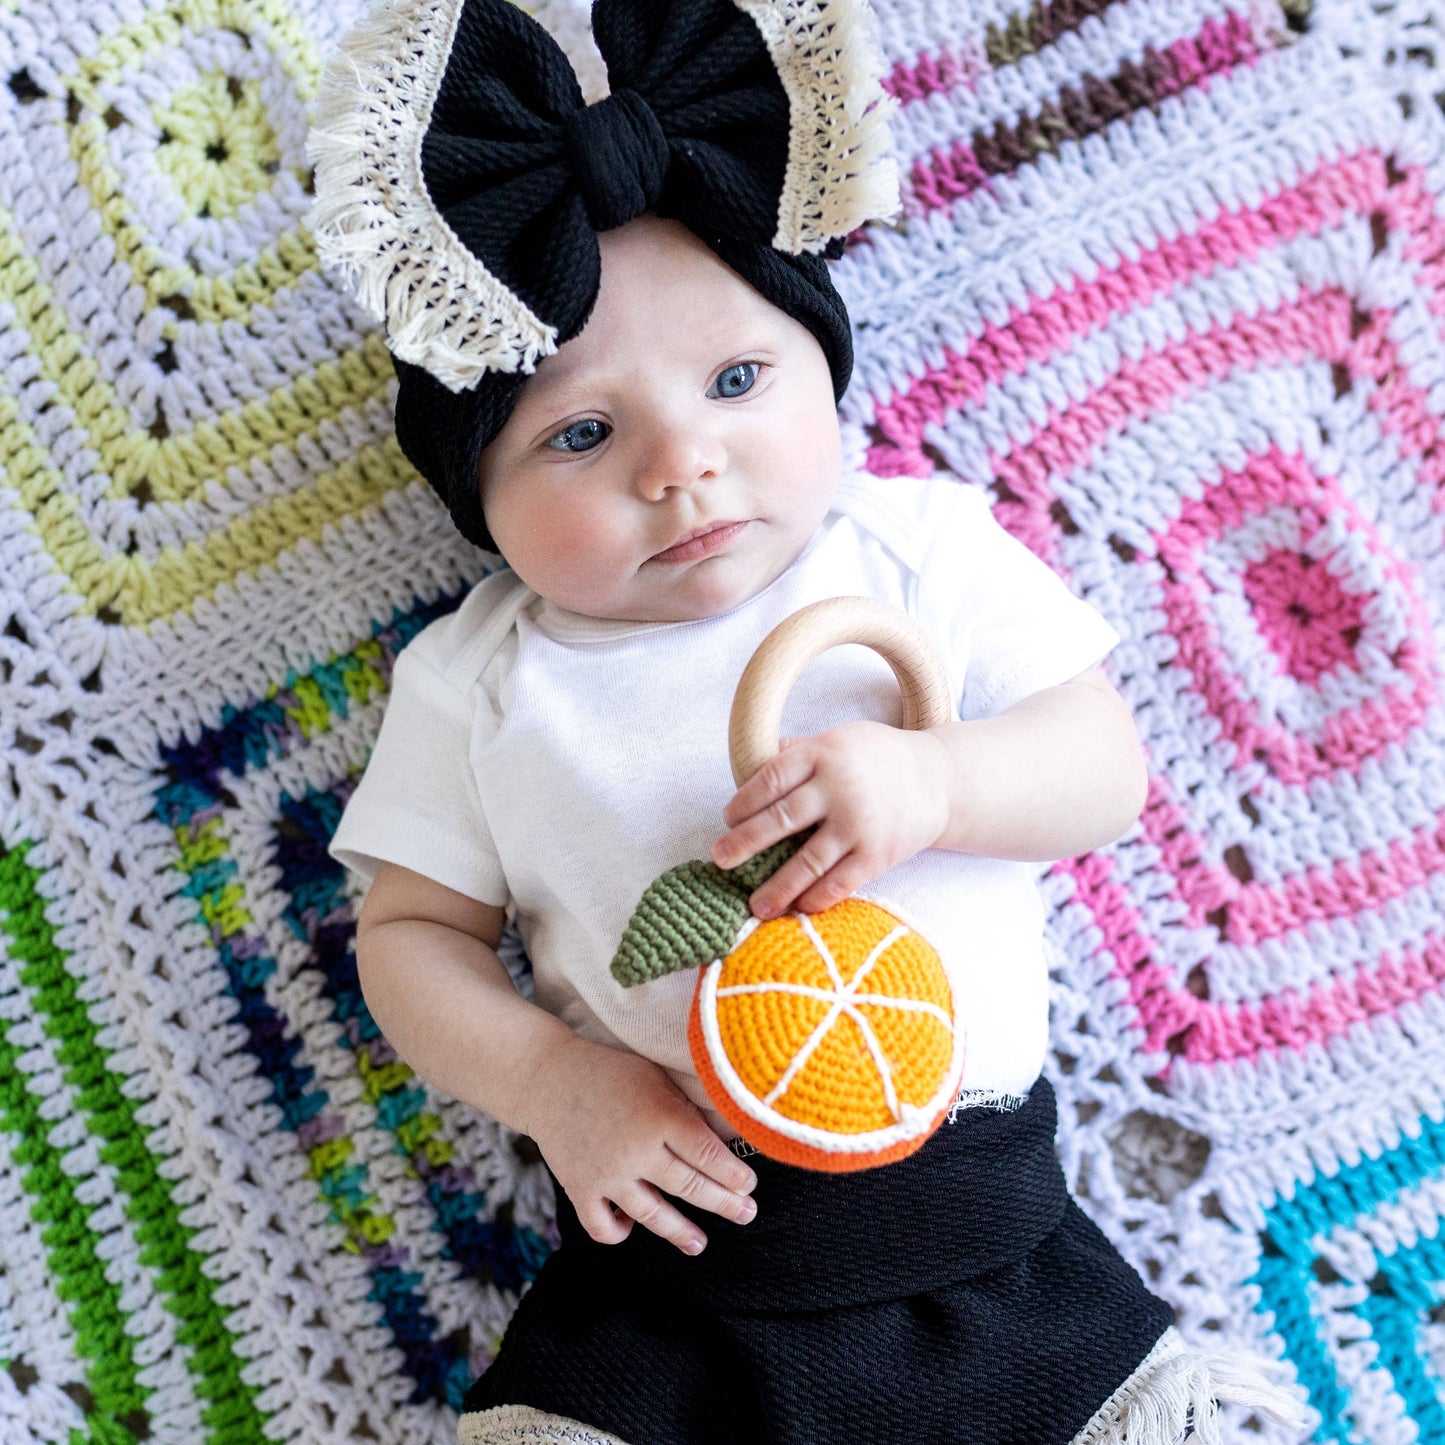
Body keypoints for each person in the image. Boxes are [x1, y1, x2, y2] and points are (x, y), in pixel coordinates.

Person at [311, 0, 1308, 1439]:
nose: (683, 466)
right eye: (583, 434)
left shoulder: (912, 551)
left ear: (817, 364)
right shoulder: (481, 682)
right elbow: (408, 940)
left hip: (988, 1241)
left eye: (734, 382)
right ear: (478, 493)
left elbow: (1101, 765)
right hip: (679, 1261)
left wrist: (937, 784)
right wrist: (556, 1081)